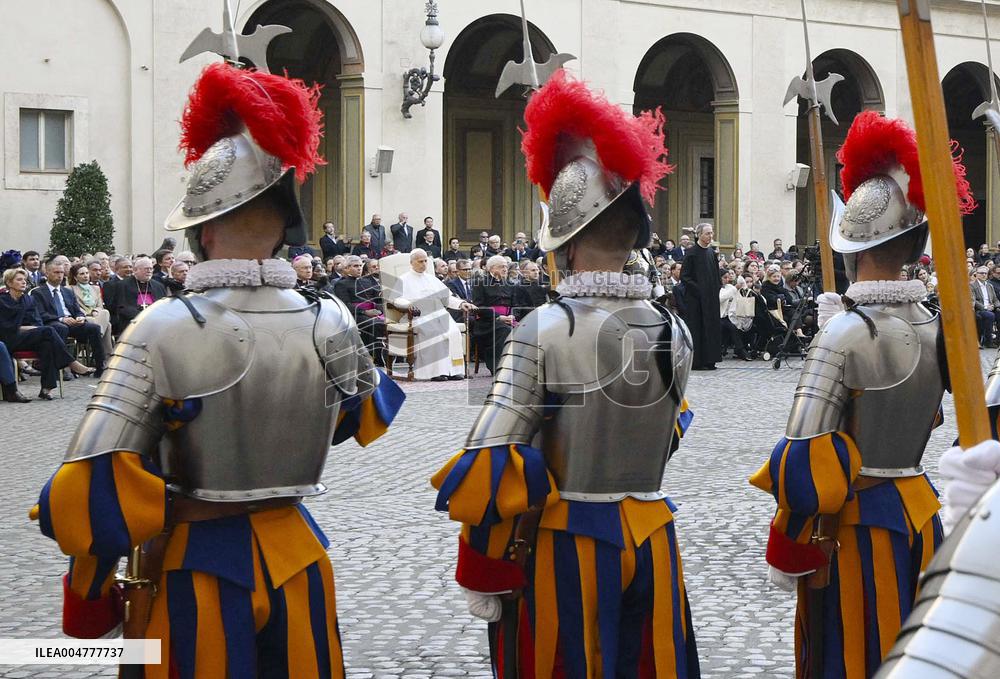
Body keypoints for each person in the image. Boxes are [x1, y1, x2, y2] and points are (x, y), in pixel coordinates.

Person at [32, 54, 404, 677]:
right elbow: (358, 418)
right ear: (286, 228)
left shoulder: (162, 327)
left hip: (190, 565)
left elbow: (96, 487)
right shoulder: (330, 317)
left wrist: (90, 600)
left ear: (201, 233)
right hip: (301, 560)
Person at [432, 69, 698, 678]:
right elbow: (670, 432)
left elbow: (493, 458)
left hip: (566, 541)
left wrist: (481, 566)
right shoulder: (674, 330)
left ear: (566, 244)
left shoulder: (543, 329)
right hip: (654, 535)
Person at [749, 111, 975, 678]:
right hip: (919, 512)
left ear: (851, 250)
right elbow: (945, 417)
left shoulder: (842, 334)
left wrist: (790, 544)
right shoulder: (936, 324)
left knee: (853, 651)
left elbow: (804, 457)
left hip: (852, 527)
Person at [1, 268, 91, 398]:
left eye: (24, 280)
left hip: (27, 337)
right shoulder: (2, 301)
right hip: (8, 340)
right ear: (9, 283)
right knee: (49, 331)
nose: (23, 282)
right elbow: (4, 327)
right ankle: (71, 363)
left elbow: (37, 322)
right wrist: (26, 328)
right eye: (19, 280)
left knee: (47, 345)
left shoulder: (28, 300)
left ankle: (46, 389)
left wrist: (31, 329)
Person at [385, 248, 473, 381]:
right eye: (420, 261)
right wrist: (407, 305)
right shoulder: (403, 279)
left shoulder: (432, 279)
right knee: (435, 332)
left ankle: (454, 370)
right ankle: (435, 372)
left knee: (453, 332)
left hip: (438, 314)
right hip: (416, 315)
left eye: (426, 261)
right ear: (412, 262)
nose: (424, 264)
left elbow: (447, 298)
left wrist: (461, 304)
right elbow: (396, 299)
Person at [30, 259, 106, 377]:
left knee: (94, 328)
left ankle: (100, 366)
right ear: (47, 273)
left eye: (61, 272)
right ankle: (63, 368)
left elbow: (76, 310)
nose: (59, 275)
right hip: (53, 323)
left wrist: (80, 317)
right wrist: (61, 319)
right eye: (56, 272)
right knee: (61, 328)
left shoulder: (67, 292)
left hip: (72, 322)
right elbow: (41, 313)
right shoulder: (39, 292)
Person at [681, 223, 722, 370]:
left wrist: (717, 288)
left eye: (711, 233)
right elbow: (685, 277)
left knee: (711, 328)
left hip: (711, 299)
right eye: (707, 233)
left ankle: (711, 359)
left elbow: (716, 275)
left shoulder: (711, 252)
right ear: (699, 234)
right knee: (698, 329)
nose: (710, 236)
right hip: (696, 300)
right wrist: (699, 290)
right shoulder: (691, 252)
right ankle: (698, 362)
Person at [334, 255, 387, 366]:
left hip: (373, 312)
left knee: (388, 322)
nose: (359, 268)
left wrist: (380, 311)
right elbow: (345, 304)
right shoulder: (341, 284)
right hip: (355, 315)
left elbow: (377, 300)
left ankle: (388, 355)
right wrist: (365, 312)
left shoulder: (367, 282)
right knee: (376, 323)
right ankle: (375, 357)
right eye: (355, 266)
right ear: (347, 268)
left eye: (360, 266)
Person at [470, 255, 514, 375]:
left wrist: (512, 316)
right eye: (501, 267)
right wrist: (498, 317)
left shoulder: (510, 284)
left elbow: (515, 304)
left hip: (508, 319)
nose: (505, 269)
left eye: (506, 266)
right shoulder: (480, 283)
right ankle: (499, 367)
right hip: (487, 322)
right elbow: (479, 307)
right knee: (504, 330)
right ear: (491, 268)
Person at [104, 256, 167, 336]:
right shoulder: (123, 285)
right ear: (135, 270)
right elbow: (122, 307)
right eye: (146, 269)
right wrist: (142, 316)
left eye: (151, 269)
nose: (149, 271)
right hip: (132, 323)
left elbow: (162, 306)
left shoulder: (159, 286)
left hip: (155, 322)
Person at [67, 262, 113, 359]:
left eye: (87, 273)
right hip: (83, 317)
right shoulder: (70, 289)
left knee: (105, 312)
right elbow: (74, 307)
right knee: (107, 325)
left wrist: (96, 310)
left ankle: (98, 336)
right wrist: (89, 313)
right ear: (75, 277)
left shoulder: (95, 288)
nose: (85, 276)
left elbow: (100, 306)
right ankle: (106, 357)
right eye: (82, 274)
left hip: (97, 315)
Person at [972, 265, 999, 347]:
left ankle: (998, 339)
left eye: (985, 273)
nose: (984, 275)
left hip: (991, 308)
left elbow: (995, 299)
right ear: (976, 274)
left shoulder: (989, 286)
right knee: (989, 315)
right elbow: (973, 301)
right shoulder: (972, 286)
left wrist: (996, 306)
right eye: (981, 273)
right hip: (979, 309)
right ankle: (988, 341)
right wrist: (985, 307)